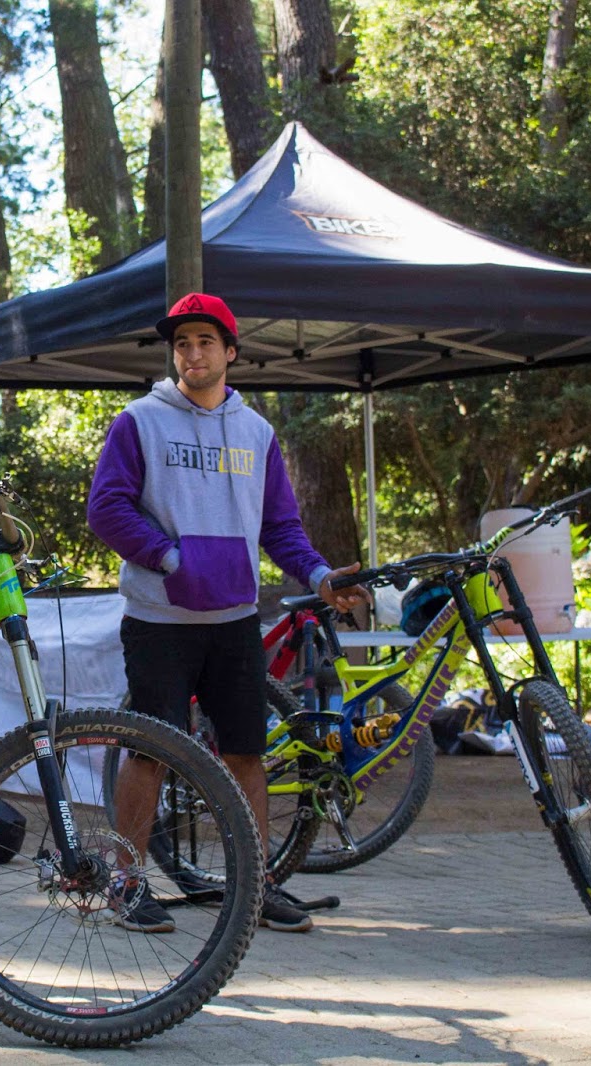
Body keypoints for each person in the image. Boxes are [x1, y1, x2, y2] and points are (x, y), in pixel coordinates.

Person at [86, 292, 370, 936]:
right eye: (182, 344)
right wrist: (169, 558)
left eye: (205, 343)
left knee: (245, 754)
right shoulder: (139, 421)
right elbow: (107, 508)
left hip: (235, 622)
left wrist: (320, 577)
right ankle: (128, 884)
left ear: (231, 352)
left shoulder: (256, 432)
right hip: (158, 621)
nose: (192, 354)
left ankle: (254, 886)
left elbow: (281, 527)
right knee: (149, 754)